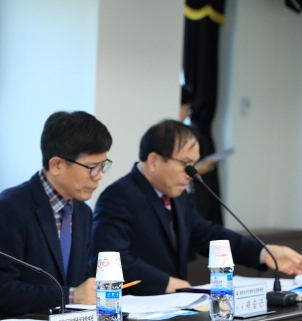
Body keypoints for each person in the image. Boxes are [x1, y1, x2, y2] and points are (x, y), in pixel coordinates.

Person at [90, 119, 302, 295]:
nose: (192, 173)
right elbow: (110, 259)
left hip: (174, 308)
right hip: (134, 312)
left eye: (194, 164)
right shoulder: (119, 196)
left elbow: (206, 235)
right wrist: (164, 282)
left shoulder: (177, 194)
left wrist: (263, 252)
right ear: (154, 161)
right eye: (185, 164)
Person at [0, 111, 113, 317]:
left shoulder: (83, 212)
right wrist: (71, 296)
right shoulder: (9, 209)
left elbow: (80, 280)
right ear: (56, 165)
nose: (99, 176)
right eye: (92, 167)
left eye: (102, 166)